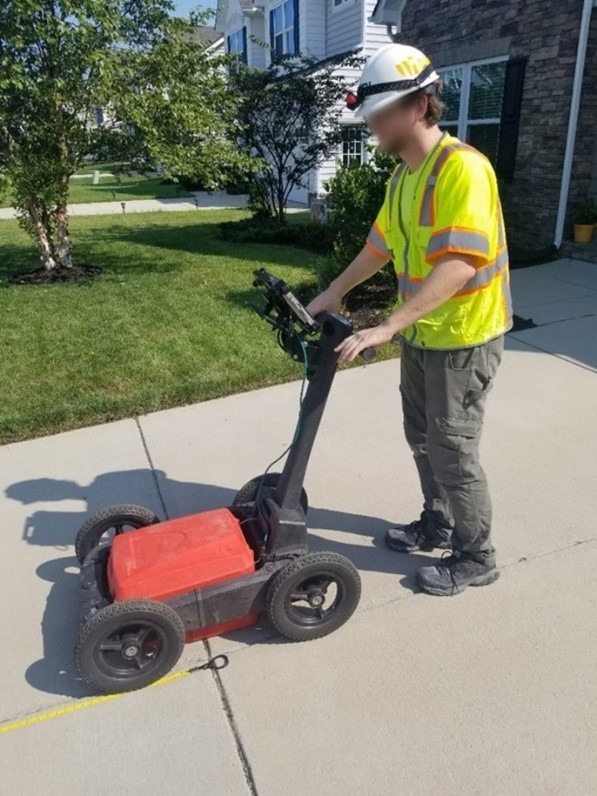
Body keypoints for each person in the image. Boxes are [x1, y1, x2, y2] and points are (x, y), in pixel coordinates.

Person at [306, 43, 512, 597]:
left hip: (465, 339)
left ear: (420, 105)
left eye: (380, 113)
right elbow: (380, 246)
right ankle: (437, 521)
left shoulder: (462, 169)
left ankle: (477, 555)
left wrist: (390, 324)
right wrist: (333, 291)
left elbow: (460, 265)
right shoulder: (403, 178)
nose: (372, 124)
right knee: (420, 437)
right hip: (426, 335)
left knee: (452, 447)